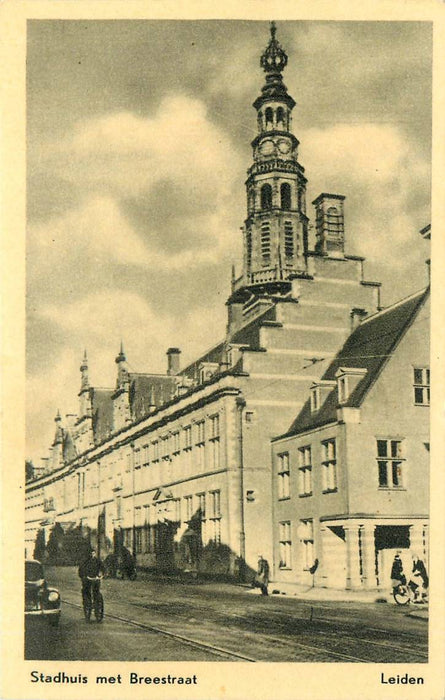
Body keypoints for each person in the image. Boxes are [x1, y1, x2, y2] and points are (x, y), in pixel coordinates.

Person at [78, 548, 105, 616]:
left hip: (95, 579)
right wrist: (84, 576)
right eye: (91, 553)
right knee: (86, 591)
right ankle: (87, 604)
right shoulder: (85, 561)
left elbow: (103, 567)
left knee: (96, 591)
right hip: (87, 579)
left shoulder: (97, 561)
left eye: (94, 553)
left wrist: (103, 574)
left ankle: (97, 603)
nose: (93, 555)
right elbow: (81, 571)